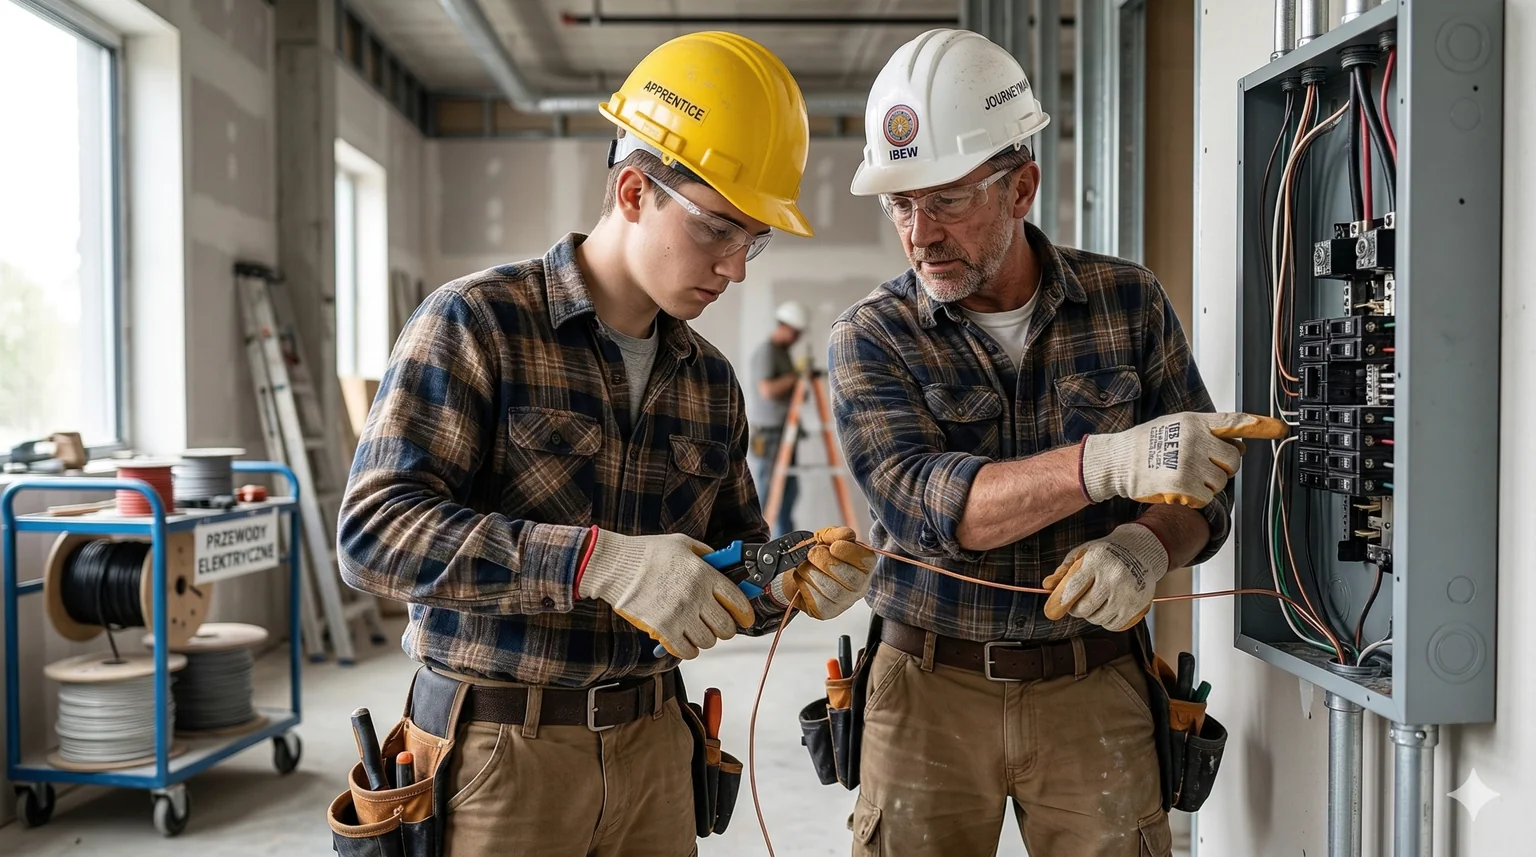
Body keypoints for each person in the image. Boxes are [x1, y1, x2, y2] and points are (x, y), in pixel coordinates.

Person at [338, 32, 875, 856]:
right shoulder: (478, 324)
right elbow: (374, 537)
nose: (736, 267)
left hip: (655, 751)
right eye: (719, 230)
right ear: (633, 190)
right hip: (498, 757)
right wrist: (596, 560)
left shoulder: (709, 381)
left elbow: (730, 567)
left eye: (755, 239)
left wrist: (796, 578)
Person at [828, 29, 1283, 857]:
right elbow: (930, 503)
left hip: (1092, 682)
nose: (920, 232)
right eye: (900, 203)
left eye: (948, 199)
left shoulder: (1127, 302)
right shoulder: (871, 337)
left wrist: (1146, 542)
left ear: (1022, 187)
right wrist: (1105, 461)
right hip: (926, 686)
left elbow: (1207, 486)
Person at [747, 300, 808, 536]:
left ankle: (787, 544)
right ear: (783, 327)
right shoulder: (767, 352)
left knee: (788, 493)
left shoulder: (783, 353)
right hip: (770, 434)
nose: (797, 338)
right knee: (770, 492)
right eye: (795, 333)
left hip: (785, 432)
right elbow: (768, 391)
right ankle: (762, 544)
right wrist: (796, 376)